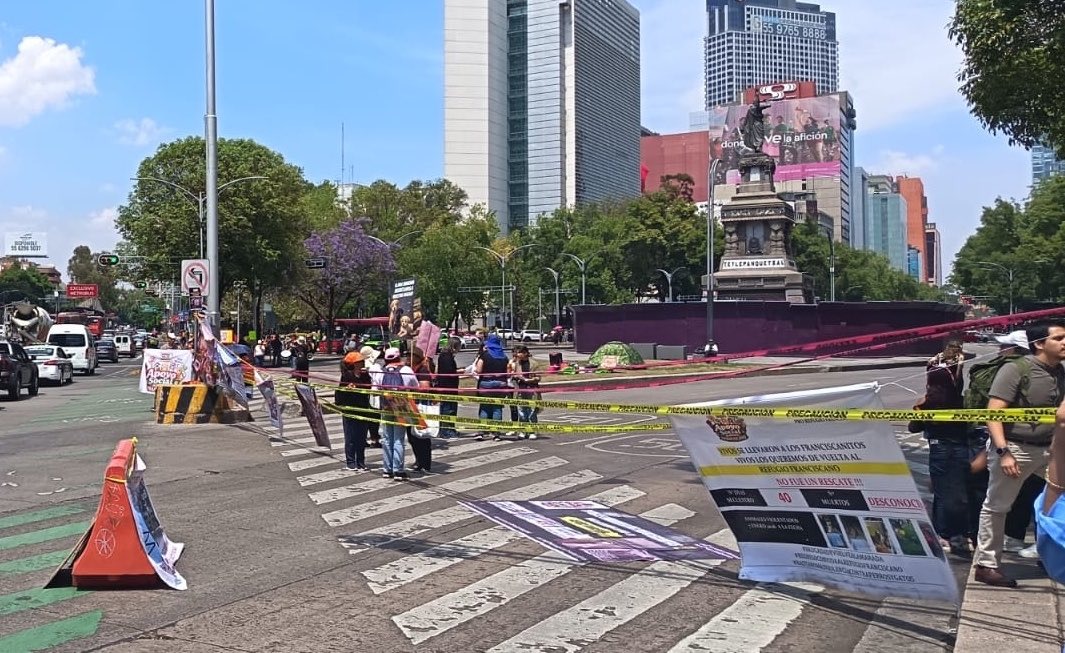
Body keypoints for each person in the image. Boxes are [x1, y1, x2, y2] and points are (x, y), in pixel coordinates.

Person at [974, 321, 1065, 587]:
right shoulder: (1016, 369)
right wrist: (1004, 452)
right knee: (998, 506)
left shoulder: (1060, 372)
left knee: (1055, 503)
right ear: (1039, 344)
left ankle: (1051, 553)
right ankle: (987, 564)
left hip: (1049, 449)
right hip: (1016, 447)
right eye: (1059, 338)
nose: (1064, 343)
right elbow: (994, 413)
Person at [913, 340, 972, 557]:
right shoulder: (953, 401)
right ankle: (948, 534)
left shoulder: (932, 401)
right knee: (953, 495)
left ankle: (947, 532)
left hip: (949, 446)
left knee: (946, 492)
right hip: (946, 448)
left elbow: (913, 426)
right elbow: (913, 425)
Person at [375, 347, 419, 480]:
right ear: (399, 357)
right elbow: (415, 386)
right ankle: (398, 470)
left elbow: (375, 389)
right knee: (399, 438)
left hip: (386, 407)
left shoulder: (380, 372)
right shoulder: (406, 370)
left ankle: (387, 469)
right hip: (402, 406)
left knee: (387, 438)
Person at [336, 351, 371, 471]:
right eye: (359, 361)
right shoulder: (346, 375)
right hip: (350, 409)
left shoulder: (365, 375)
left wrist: (360, 387)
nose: (362, 363)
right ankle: (350, 461)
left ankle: (361, 461)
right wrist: (347, 389)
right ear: (353, 363)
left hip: (363, 408)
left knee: (361, 437)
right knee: (350, 437)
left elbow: (369, 387)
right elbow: (339, 394)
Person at [474, 333, 510, 441]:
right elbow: (508, 372)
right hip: (501, 384)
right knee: (497, 408)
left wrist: (475, 369)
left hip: (486, 383)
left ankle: (482, 431)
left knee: (485, 407)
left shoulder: (485, 355)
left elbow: (479, 370)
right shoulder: (504, 356)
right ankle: (496, 434)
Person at [408, 347, 436, 473]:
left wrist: (412, 387)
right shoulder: (411, 369)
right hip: (411, 405)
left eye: (410, 356)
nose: (408, 358)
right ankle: (419, 460)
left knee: (422, 437)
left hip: (420, 405)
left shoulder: (422, 370)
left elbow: (425, 387)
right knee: (412, 436)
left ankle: (424, 463)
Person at [508, 345, 542, 439]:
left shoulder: (534, 364)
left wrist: (529, 380)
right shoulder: (516, 364)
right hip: (520, 389)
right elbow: (511, 375)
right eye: (517, 353)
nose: (517, 355)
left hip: (531, 389)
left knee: (531, 411)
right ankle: (523, 431)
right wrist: (514, 376)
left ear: (525, 353)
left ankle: (532, 431)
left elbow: (538, 377)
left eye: (519, 352)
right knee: (521, 411)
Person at [436, 337, 461, 439]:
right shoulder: (447, 357)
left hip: (447, 386)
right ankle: (446, 431)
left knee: (449, 408)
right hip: (448, 387)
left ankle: (449, 429)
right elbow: (449, 372)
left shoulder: (445, 355)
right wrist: (459, 372)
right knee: (448, 409)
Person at [359, 346, 382, 447]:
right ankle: (374, 439)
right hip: (374, 394)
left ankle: (362, 438)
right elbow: (380, 380)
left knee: (364, 418)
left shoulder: (360, 367)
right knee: (374, 418)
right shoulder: (375, 367)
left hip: (363, 395)